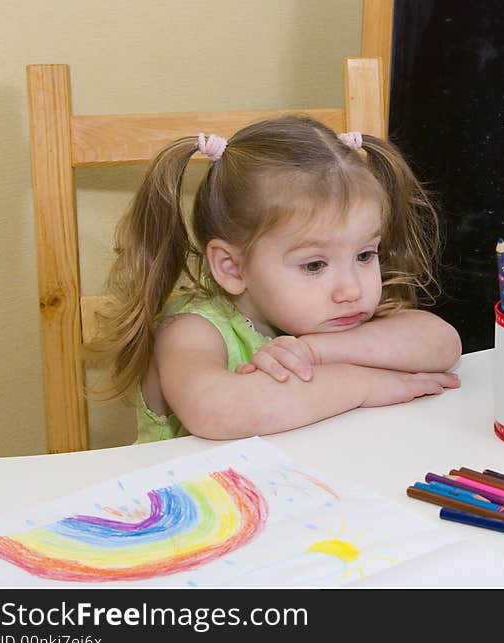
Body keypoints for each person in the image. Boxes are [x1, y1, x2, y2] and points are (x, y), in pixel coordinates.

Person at [88, 115, 462, 443]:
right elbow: (215, 411)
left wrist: (319, 352)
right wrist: (365, 384)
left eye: (365, 255)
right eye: (314, 265)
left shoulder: (333, 317)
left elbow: (443, 345)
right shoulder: (193, 329)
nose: (352, 289)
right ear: (233, 268)